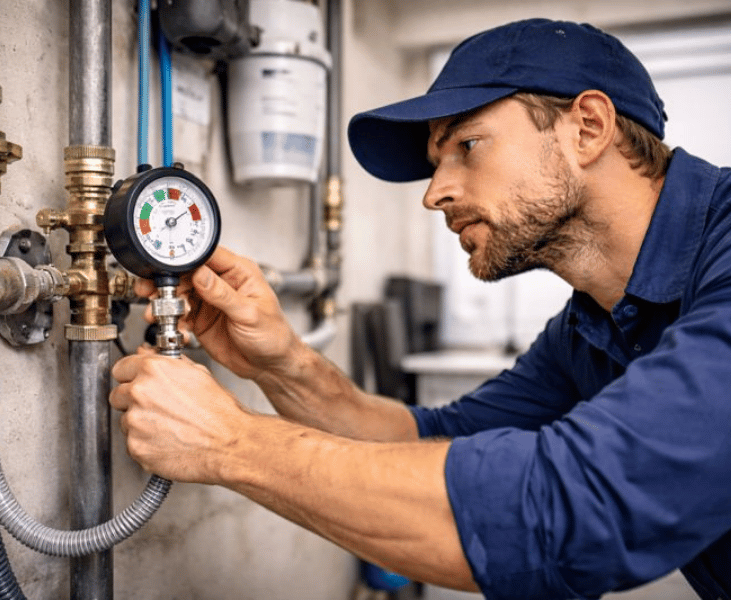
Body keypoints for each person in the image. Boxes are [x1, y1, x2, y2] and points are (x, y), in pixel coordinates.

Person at [109, 18, 731, 600]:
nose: (436, 193)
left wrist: (229, 443)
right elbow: (425, 440)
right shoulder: (590, 327)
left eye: (467, 144)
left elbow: (571, 505)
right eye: (437, 163)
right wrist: (279, 362)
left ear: (588, 127)